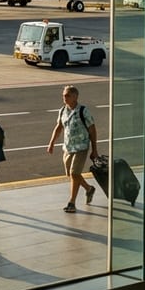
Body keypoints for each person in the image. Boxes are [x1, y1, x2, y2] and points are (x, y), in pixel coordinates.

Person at [46, 85, 99, 213]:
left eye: (67, 95)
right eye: (64, 95)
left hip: (81, 146)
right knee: (70, 174)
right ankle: (88, 188)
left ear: (75, 97)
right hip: (68, 147)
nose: (64, 97)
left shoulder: (83, 111)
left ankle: (72, 202)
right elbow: (59, 127)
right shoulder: (62, 110)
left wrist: (94, 149)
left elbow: (92, 129)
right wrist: (51, 143)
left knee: (75, 173)